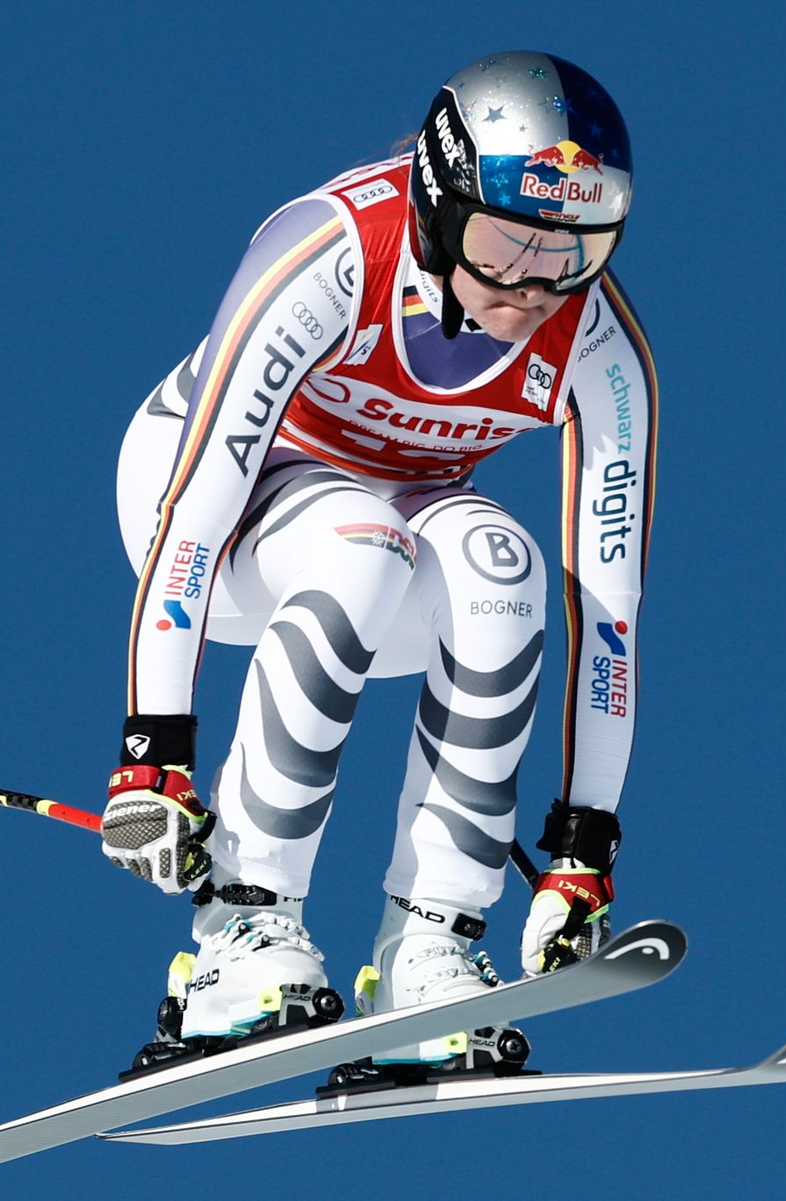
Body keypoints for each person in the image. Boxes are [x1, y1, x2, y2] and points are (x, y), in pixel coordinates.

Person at [101, 51, 656, 1063]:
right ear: (443, 208)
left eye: (573, 254)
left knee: (504, 562)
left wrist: (584, 848)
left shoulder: (598, 346)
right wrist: (153, 755)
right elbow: (194, 509)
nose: (534, 287)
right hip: (209, 514)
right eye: (505, 243)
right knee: (364, 543)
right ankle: (241, 930)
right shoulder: (333, 251)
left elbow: (608, 610)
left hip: (392, 533)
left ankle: (429, 947)